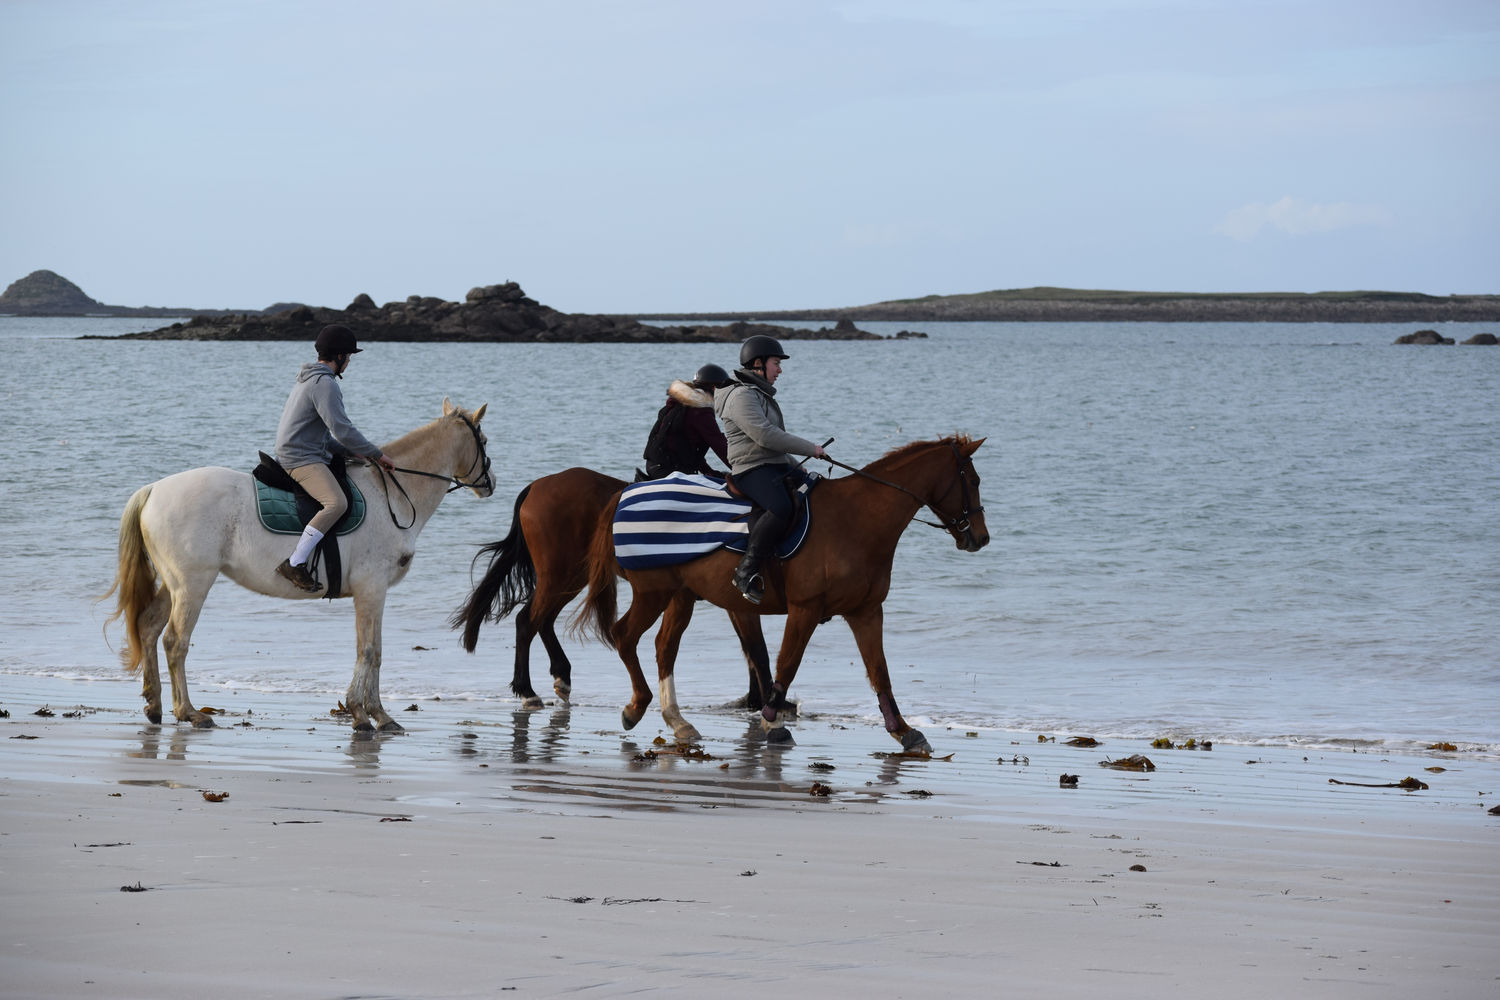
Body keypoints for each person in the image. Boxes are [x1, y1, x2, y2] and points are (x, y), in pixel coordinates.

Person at [272, 324, 396, 592]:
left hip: (306, 449)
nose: (349, 362)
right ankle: (295, 562)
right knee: (336, 503)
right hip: (300, 457)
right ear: (339, 356)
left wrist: (354, 453)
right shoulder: (324, 383)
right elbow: (343, 429)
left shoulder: (308, 379)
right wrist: (377, 453)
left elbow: (325, 437)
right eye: (348, 357)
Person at [713, 335, 829, 604]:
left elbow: (774, 445)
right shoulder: (741, 396)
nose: (780, 369)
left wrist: (798, 465)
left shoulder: (758, 393)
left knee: (817, 491)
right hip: (751, 469)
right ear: (758, 363)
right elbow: (765, 436)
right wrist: (811, 449)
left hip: (774, 464)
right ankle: (746, 570)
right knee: (782, 507)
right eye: (776, 363)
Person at [641, 363, 733, 479]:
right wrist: (742, 469)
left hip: (656, 465)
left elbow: (684, 445)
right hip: (670, 470)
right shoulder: (700, 409)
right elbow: (719, 444)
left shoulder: (683, 402)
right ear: (715, 388)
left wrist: (708, 471)